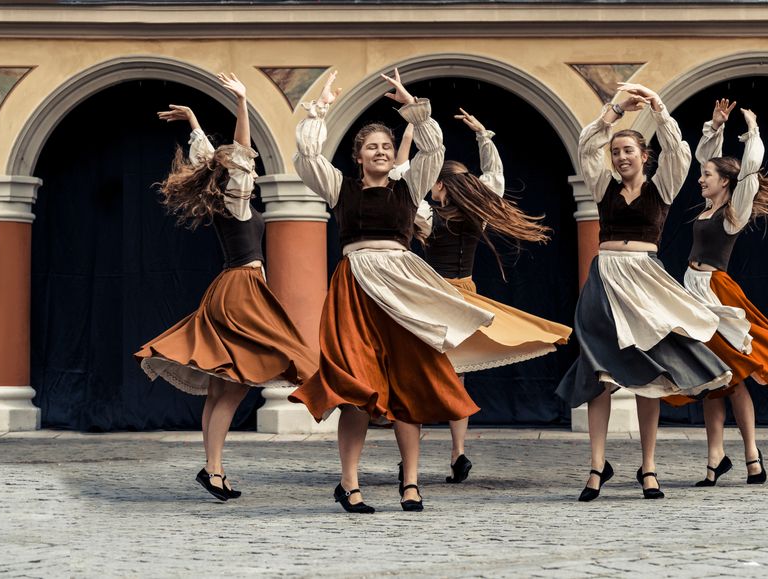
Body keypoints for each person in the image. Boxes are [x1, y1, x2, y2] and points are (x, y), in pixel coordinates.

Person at [288, 70, 504, 513]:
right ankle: (350, 483)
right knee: (356, 387)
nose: (382, 152)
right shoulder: (339, 188)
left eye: (386, 147)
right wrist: (323, 106)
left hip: (403, 287)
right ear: (359, 157)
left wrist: (413, 107)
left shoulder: (410, 188)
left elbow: (434, 147)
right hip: (356, 286)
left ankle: (410, 483)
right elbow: (308, 155)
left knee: (410, 385)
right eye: (373, 147)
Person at [135, 73, 316, 502]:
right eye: (237, 163)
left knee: (222, 388)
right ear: (233, 171)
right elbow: (241, 151)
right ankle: (214, 468)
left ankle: (213, 470)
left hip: (230, 286)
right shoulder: (235, 198)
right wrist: (242, 103)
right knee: (238, 380)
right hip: (242, 287)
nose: (243, 163)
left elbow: (213, 155)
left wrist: (195, 121)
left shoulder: (223, 194)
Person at [556, 83, 732, 502]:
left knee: (649, 375)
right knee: (599, 372)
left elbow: (678, 153)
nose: (620, 156)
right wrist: (614, 111)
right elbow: (586, 148)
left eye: (628, 151)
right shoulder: (603, 186)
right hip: (606, 278)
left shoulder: (663, 186)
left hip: (646, 278)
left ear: (643, 156)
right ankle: (597, 466)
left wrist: (657, 109)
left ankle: (648, 467)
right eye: (616, 151)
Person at [392, 109, 572, 484]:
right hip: (466, 293)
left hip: (435, 296)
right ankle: (458, 452)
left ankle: (412, 452)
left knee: (417, 374)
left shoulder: (427, 215)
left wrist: (409, 135)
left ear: (441, 185)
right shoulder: (477, 212)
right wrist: (484, 138)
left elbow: (402, 179)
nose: (430, 188)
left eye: (435, 184)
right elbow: (495, 179)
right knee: (456, 376)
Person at [664, 98, 768, 487]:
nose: (702, 179)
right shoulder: (706, 206)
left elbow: (748, 172)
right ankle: (717, 457)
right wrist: (714, 128)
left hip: (716, 291)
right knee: (714, 377)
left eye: (709, 176)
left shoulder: (735, 211)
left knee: (732, 375)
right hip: (692, 291)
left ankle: (750, 454)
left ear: (726, 182)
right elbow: (706, 159)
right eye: (703, 175)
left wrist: (752, 133)